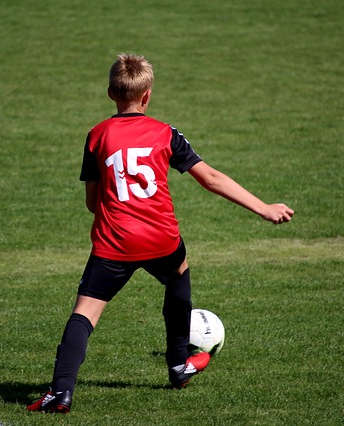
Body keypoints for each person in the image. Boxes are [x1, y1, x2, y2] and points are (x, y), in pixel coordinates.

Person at [27, 53, 294, 414]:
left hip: (114, 243)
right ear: (148, 95)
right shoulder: (165, 133)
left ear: (110, 93)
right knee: (178, 275)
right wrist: (264, 208)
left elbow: (92, 203)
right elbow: (211, 179)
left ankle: (61, 393)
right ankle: (178, 364)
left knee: (86, 313)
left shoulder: (96, 136)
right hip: (160, 239)